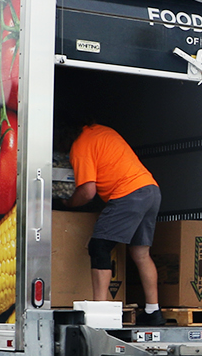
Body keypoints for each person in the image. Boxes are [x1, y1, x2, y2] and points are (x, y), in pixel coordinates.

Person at [66, 123, 164, 327]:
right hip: (150, 189)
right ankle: (153, 311)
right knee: (141, 254)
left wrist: (66, 204)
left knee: (99, 246)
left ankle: (100, 312)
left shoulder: (79, 146)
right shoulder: (102, 131)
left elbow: (87, 192)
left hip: (129, 193)